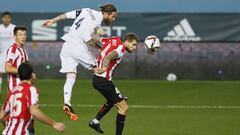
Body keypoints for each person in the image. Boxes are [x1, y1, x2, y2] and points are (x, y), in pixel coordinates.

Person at [42, 3, 117, 121]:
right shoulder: (96, 20)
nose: (113, 19)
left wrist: (53, 20)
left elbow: (67, 15)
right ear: (106, 13)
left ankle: (67, 103)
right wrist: (101, 47)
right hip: (78, 48)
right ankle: (114, 97)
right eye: (112, 16)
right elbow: (86, 37)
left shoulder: (87, 10)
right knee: (100, 70)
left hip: (67, 46)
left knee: (71, 75)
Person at [89, 33, 139, 135]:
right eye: (134, 44)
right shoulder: (121, 49)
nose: (134, 48)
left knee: (115, 100)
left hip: (98, 80)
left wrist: (93, 43)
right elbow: (109, 56)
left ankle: (95, 121)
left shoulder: (113, 39)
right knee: (124, 107)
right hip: (103, 80)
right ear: (128, 41)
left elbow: (95, 38)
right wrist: (104, 67)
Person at [0, 63, 65, 134]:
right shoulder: (31, 89)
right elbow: (34, 111)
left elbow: (1, 116)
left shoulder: (13, 91)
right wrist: (54, 124)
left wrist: (11, 128)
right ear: (31, 74)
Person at [0, 11, 15, 96]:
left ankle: (12, 91)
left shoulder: (14, 28)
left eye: (8, 17)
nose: (6, 19)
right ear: (2, 18)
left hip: (11, 55)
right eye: (5, 17)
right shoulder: (0, 28)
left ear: (10, 19)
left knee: (11, 73)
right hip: (1, 54)